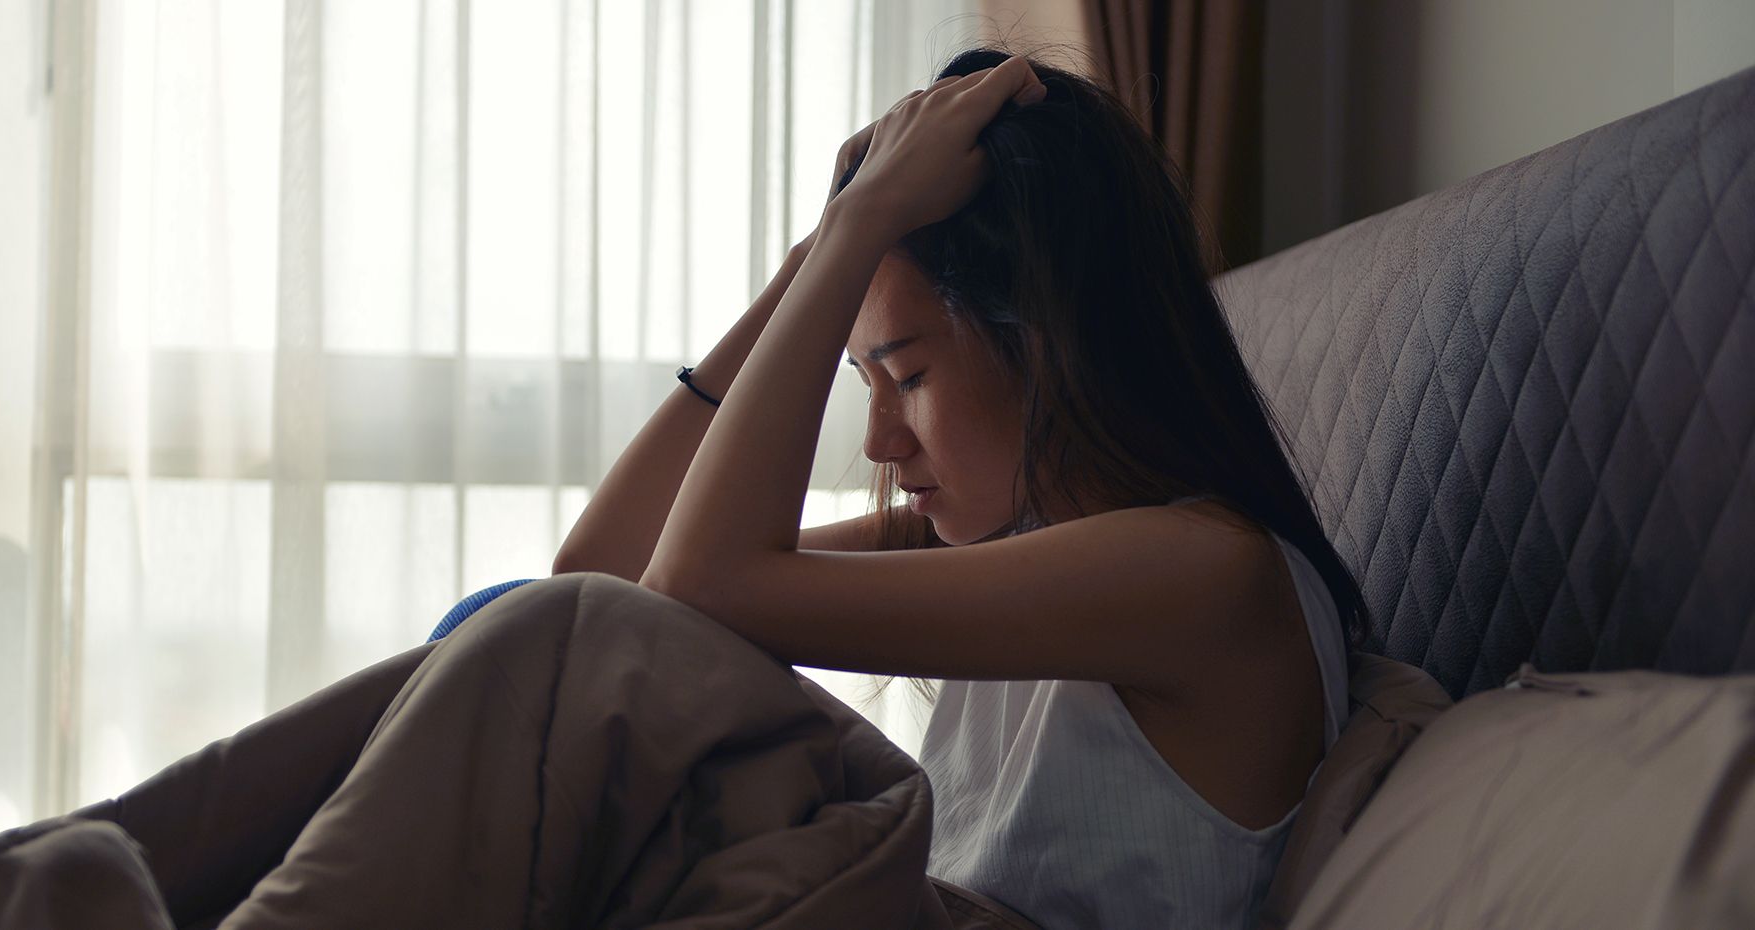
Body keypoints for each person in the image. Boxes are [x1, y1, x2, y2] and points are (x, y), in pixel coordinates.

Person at [551, 47, 1372, 929]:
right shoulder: (1014, 535)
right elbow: (598, 592)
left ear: (1050, 340)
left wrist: (859, 230)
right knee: (521, 652)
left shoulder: (1205, 573)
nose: (879, 441)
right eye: (866, 385)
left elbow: (691, 586)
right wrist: (814, 258)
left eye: (906, 378)